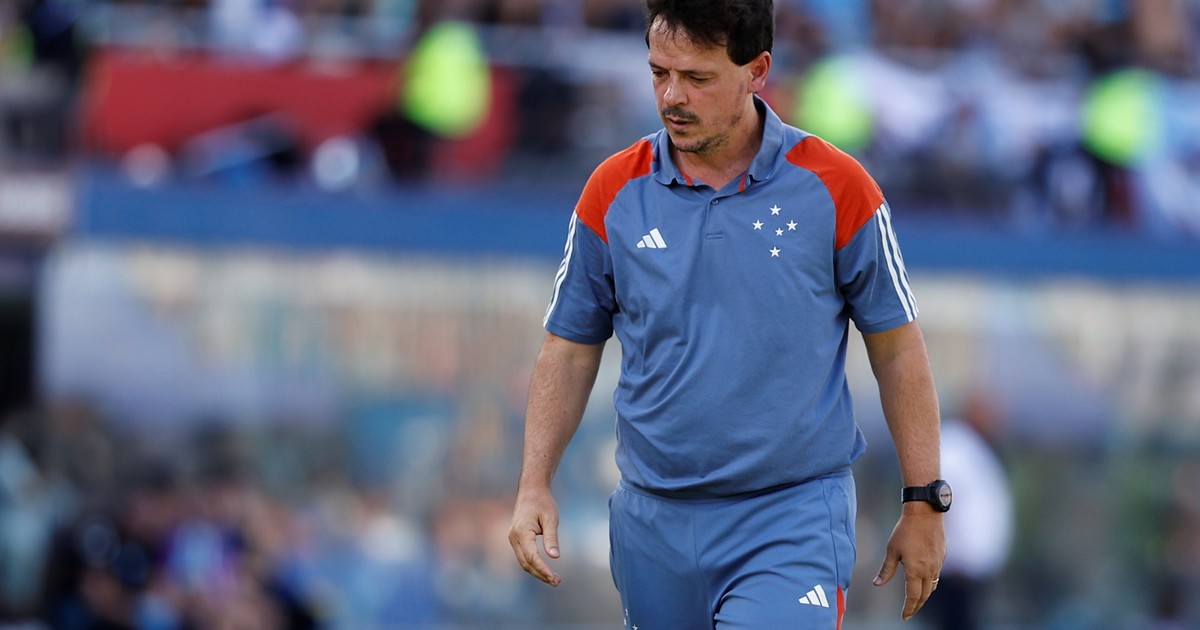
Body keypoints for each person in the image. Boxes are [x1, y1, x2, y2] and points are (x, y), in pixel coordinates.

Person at [507, 0, 947, 627]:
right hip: (651, 523)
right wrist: (533, 484)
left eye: (697, 77)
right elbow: (570, 349)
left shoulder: (837, 187)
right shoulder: (612, 191)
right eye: (659, 73)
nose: (672, 96)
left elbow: (898, 348)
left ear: (756, 71)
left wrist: (923, 501)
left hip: (790, 519)